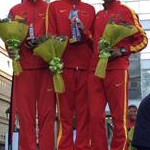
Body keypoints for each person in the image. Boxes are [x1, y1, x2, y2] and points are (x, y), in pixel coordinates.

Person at [87, 0, 148, 150]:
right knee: (94, 117)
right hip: (95, 71)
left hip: (117, 71)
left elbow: (143, 40)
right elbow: (94, 42)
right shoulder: (98, 15)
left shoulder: (126, 11)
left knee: (119, 118)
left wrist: (121, 50)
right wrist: (83, 32)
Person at [7, 0, 56, 150]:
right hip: (24, 69)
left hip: (45, 68)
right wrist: (11, 49)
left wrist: (42, 43)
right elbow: (9, 38)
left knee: (47, 116)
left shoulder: (49, 8)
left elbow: (55, 34)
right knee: (25, 116)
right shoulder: (15, 10)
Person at [49, 0, 95, 150]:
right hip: (64, 68)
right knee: (64, 116)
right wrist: (65, 40)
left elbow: (96, 41)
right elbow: (50, 36)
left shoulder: (90, 9)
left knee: (84, 115)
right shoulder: (55, 6)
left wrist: (85, 33)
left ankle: (83, 147)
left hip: (85, 68)